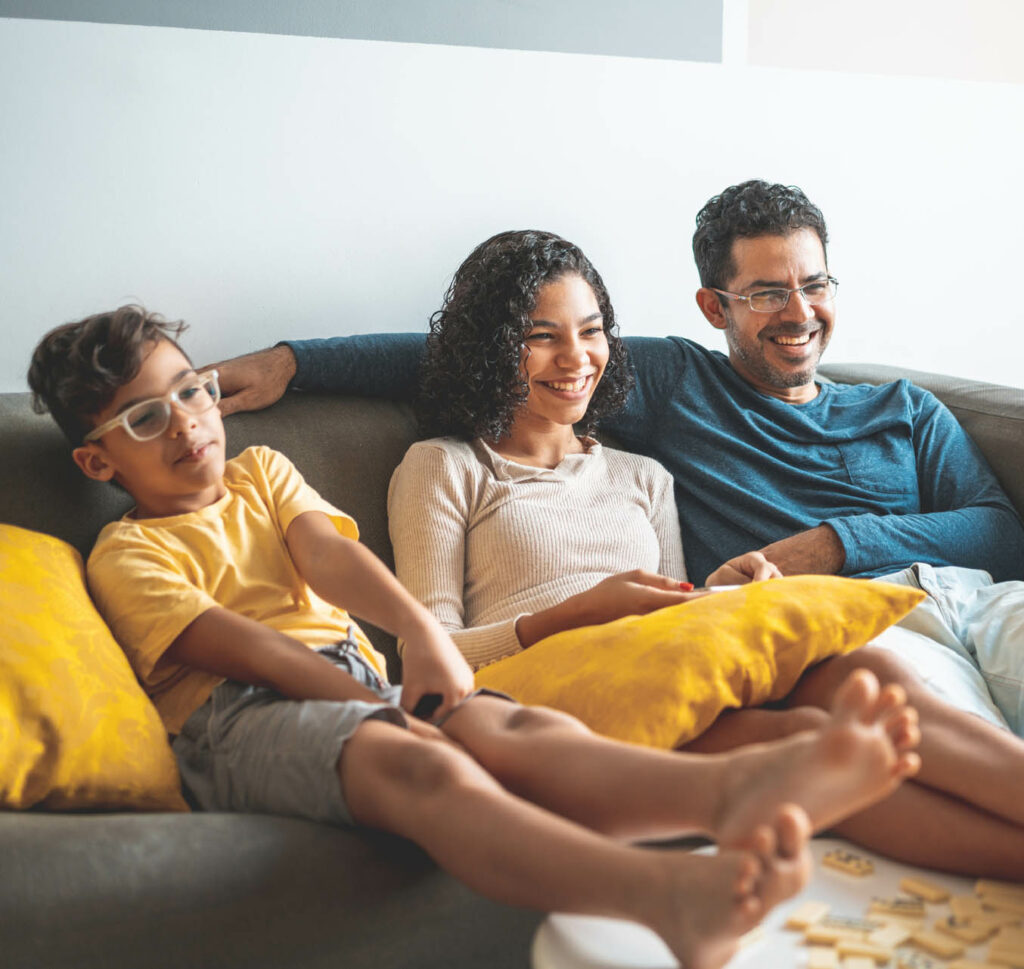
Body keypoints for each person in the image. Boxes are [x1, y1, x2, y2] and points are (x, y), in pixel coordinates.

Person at [28, 306, 924, 969]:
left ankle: (731, 793)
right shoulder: (125, 551)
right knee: (422, 761)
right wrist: (391, 709)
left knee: (517, 728)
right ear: (97, 462)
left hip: (354, 676)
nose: (188, 422)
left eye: (193, 391)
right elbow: (249, 652)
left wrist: (422, 636)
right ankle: (666, 896)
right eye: (147, 418)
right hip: (243, 719)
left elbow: (328, 560)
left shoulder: (262, 469)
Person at [209, 181, 1024, 739]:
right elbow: (475, 349)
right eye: (767, 291)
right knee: (906, 709)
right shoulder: (674, 384)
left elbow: (999, 534)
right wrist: (294, 360)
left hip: (974, 599)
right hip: (847, 626)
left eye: (815, 283)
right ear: (716, 306)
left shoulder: (905, 408)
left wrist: (834, 543)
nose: (799, 312)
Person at [379, 228, 1024, 876]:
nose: (576, 357)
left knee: (862, 678)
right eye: (542, 336)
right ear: (493, 347)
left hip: (662, 660)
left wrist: (719, 581)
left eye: (591, 330)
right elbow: (425, 661)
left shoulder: (643, 475)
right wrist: (573, 614)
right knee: (799, 749)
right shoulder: (443, 466)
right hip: (550, 684)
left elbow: (677, 609)